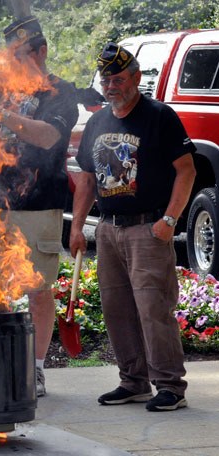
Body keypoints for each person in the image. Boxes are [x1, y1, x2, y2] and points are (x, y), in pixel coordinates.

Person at [69, 42, 195, 412]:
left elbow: (186, 170)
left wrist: (169, 220)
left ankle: (170, 386)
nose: (112, 86)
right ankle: (133, 381)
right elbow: (88, 181)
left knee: (153, 308)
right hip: (108, 229)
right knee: (116, 308)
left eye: (119, 78)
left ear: (136, 78)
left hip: (148, 228)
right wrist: (77, 228)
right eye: (107, 79)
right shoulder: (97, 121)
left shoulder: (159, 116)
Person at [0, 16, 79, 397]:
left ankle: (38, 368)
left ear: (41, 52)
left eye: (21, 55)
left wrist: (2, 115)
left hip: (41, 205)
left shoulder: (61, 93)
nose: (13, 64)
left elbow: (46, 137)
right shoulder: (4, 89)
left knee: (38, 289)